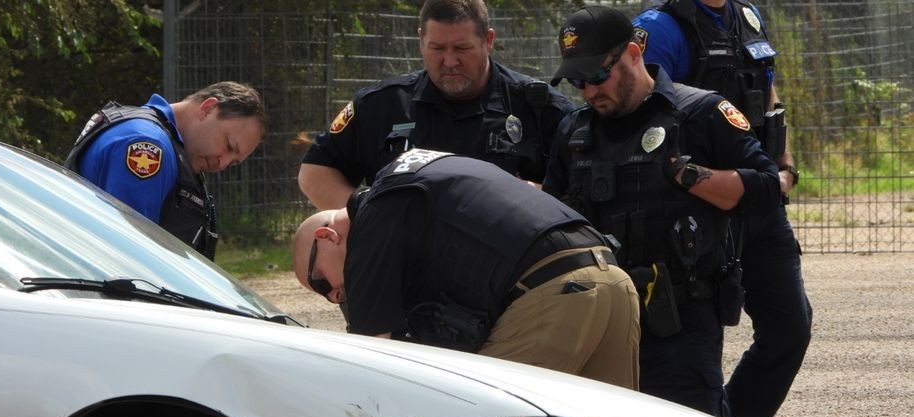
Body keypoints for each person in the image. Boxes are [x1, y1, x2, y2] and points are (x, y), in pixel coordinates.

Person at [545, 5, 781, 417]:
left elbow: (766, 186)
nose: (589, 91)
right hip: (600, 321)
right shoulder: (574, 131)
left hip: (679, 323)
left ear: (634, 53)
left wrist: (692, 177)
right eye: (577, 81)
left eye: (599, 76)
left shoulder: (702, 113)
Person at [293, 149, 640, 390]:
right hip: (612, 278)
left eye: (321, 284)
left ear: (327, 237)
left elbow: (375, 359)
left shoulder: (374, 215)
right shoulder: (415, 176)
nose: (336, 296)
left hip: (558, 295)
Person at [634, 0, 812, 417]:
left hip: (758, 199)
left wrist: (783, 165)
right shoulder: (658, 28)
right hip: (698, 212)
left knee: (790, 328)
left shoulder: (746, 16)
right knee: (698, 347)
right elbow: (648, 117)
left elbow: (768, 96)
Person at [298, 0, 574, 210]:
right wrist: (367, 215)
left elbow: (581, 193)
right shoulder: (382, 105)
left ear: (488, 41)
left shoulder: (540, 109)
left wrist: (533, 197)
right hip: (408, 266)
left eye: (461, 49)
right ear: (421, 41)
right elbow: (315, 173)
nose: (450, 61)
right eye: (437, 49)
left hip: (508, 268)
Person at [65, 81, 267, 259]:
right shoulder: (147, 144)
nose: (222, 164)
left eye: (232, 163)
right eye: (228, 146)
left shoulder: (148, 134)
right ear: (208, 109)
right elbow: (129, 254)